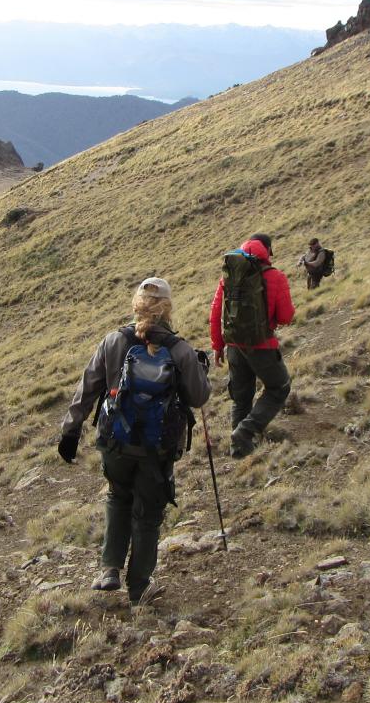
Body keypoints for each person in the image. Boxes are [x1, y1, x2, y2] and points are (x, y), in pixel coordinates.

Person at [57, 277, 211, 605]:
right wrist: (200, 370)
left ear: (136, 305)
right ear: (167, 308)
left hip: (115, 440)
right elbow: (198, 397)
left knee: (118, 495)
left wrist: (70, 430)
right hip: (158, 448)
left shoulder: (114, 341)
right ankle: (139, 586)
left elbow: (88, 388)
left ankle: (109, 569)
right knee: (148, 513)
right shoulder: (180, 350)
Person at [209, 233, 294, 458]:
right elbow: (286, 316)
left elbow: (216, 313)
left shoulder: (229, 276)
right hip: (262, 346)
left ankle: (239, 450)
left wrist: (217, 346)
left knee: (241, 397)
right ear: (267, 250)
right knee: (279, 387)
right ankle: (245, 432)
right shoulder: (275, 276)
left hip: (234, 346)